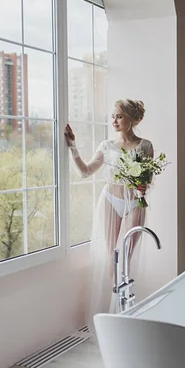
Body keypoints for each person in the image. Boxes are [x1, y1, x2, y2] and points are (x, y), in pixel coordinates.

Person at [64, 98, 154, 321]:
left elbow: (148, 178)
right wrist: (73, 147)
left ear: (132, 119)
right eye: (112, 116)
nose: (114, 120)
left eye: (119, 116)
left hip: (135, 202)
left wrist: (143, 184)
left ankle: (127, 310)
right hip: (111, 200)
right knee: (113, 256)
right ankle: (118, 313)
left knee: (126, 257)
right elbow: (86, 171)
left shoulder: (145, 146)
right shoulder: (106, 145)